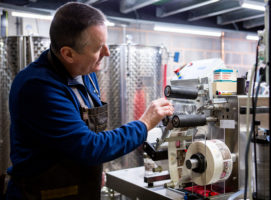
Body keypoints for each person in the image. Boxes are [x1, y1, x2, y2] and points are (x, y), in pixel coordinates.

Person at [6, 2, 174, 200]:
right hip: (45, 193)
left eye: (105, 44)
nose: (107, 53)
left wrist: (92, 169)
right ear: (68, 54)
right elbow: (89, 146)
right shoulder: (38, 88)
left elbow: (81, 135)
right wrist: (144, 124)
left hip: (80, 188)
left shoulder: (85, 72)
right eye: (98, 48)